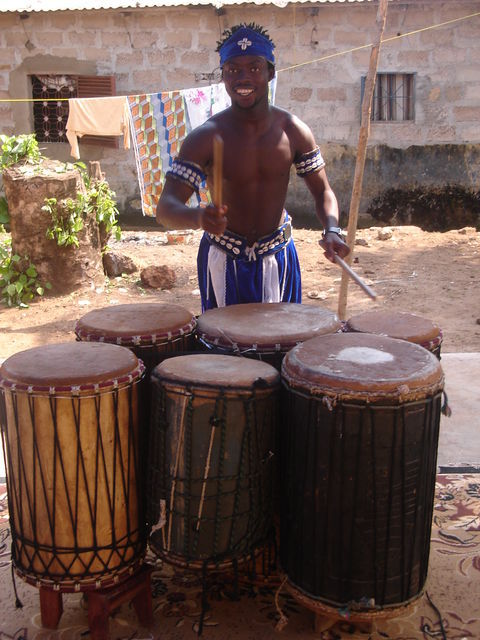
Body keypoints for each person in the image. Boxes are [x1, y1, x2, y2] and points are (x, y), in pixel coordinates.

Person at [156, 23, 349, 311]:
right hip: (224, 261)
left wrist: (332, 229)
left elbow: (323, 192)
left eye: (254, 68)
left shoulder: (294, 131)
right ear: (223, 75)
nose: (243, 77)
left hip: (279, 258)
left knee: (283, 336)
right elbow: (165, 208)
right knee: (225, 339)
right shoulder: (205, 137)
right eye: (233, 69)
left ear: (270, 73)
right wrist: (199, 217)